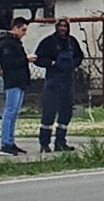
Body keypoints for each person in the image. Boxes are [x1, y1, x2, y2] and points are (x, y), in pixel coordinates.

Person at [33, 18, 85, 153]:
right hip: (53, 81)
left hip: (68, 81)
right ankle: (44, 144)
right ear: (56, 27)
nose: (63, 29)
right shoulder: (48, 42)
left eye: (65, 26)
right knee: (49, 113)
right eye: (60, 26)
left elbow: (80, 56)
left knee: (66, 113)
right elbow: (38, 59)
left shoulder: (72, 42)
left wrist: (73, 64)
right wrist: (51, 63)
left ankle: (60, 142)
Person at [0, 17, 32, 156]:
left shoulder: (15, 43)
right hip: (13, 80)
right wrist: (25, 59)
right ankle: (5, 144)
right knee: (10, 111)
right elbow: (9, 63)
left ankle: (10, 141)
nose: (24, 33)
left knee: (14, 112)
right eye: (23, 30)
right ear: (15, 28)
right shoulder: (6, 44)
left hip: (19, 80)